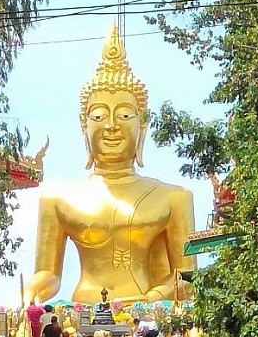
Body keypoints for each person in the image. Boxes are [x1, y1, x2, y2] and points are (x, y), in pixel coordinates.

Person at [25, 26, 195, 305]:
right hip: (80, 312)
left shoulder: (174, 198)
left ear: (143, 127)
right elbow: (47, 274)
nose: (112, 126)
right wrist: (31, 291)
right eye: (99, 115)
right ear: (84, 127)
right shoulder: (57, 201)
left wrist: (146, 300)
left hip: (146, 313)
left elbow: (187, 278)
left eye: (125, 114)